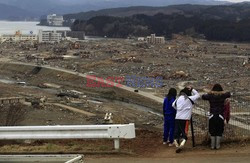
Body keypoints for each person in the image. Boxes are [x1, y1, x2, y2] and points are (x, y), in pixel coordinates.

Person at [202, 84, 231, 150]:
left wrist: (209, 92)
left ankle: (212, 146)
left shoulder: (210, 95)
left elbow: (203, 96)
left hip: (212, 115)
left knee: (212, 130)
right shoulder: (223, 95)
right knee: (219, 130)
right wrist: (222, 92)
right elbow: (229, 94)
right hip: (220, 115)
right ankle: (217, 146)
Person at [172, 86, 200, 153]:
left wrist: (179, 110)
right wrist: (192, 89)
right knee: (185, 132)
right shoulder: (189, 98)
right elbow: (198, 95)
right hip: (185, 118)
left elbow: (173, 105)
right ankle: (182, 144)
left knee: (177, 132)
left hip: (177, 117)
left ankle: (176, 144)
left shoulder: (178, 98)